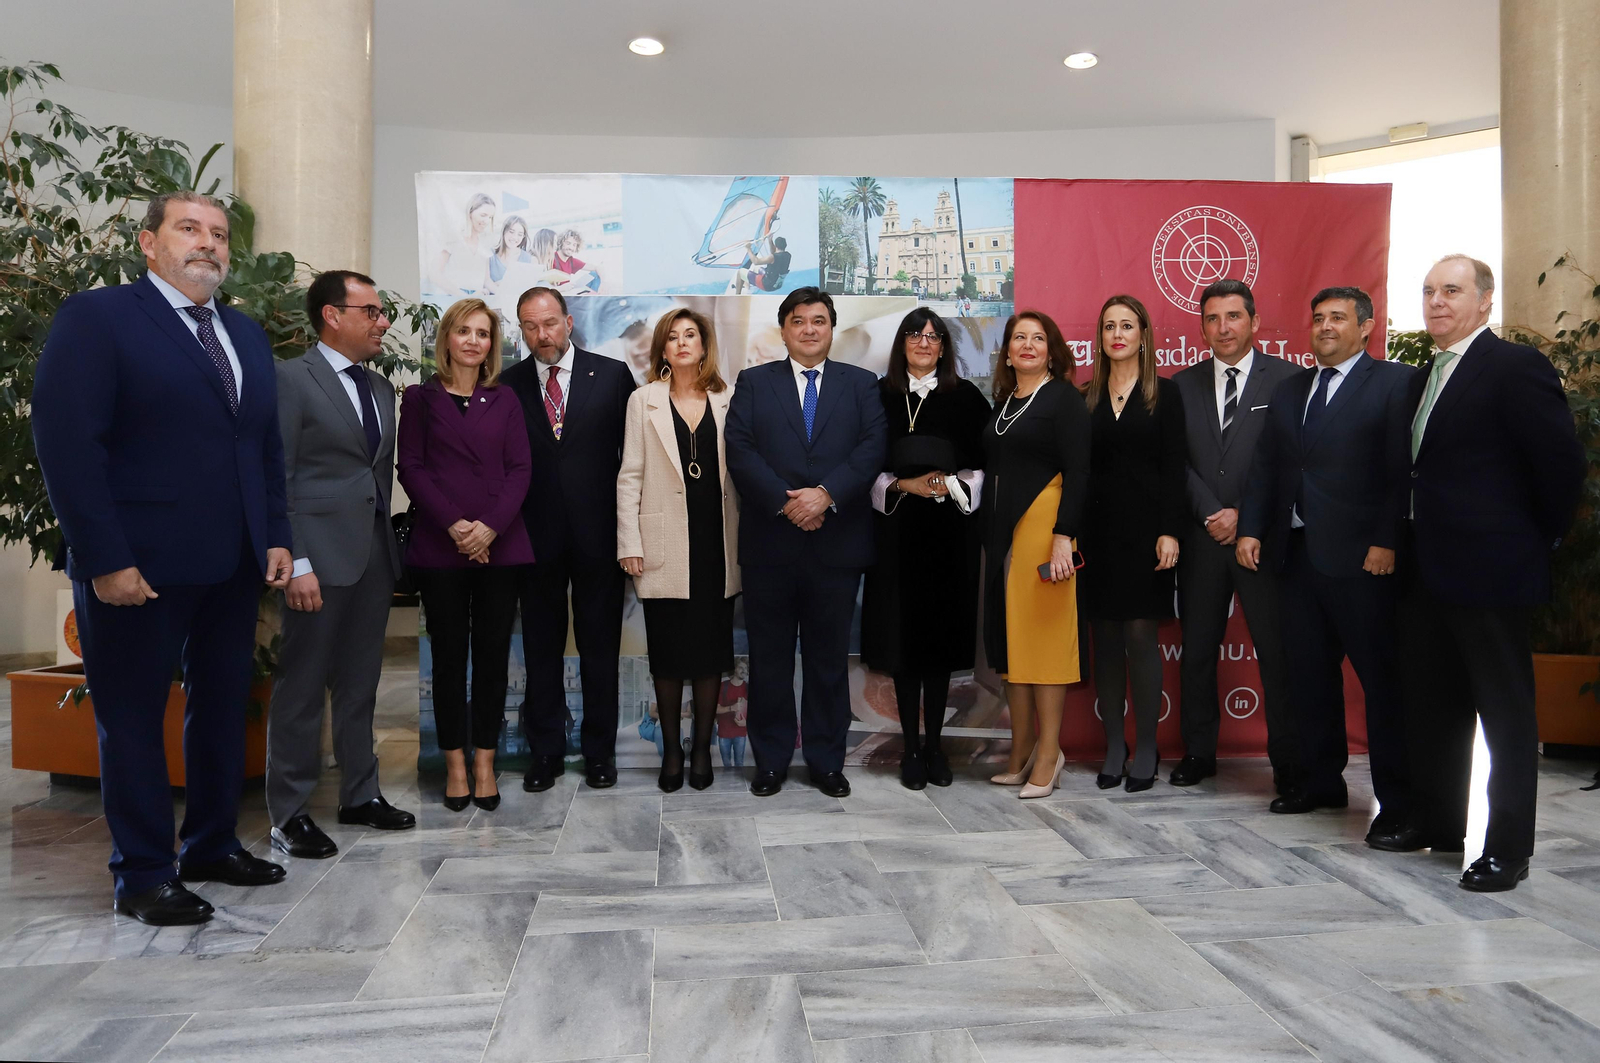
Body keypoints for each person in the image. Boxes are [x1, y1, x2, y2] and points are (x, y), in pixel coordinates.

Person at [33, 191, 293, 926]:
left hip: (234, 560)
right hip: (136, 566)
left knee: (219, 709)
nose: (207, 244)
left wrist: (275, 533)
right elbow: (67, 445)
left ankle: (210, 844)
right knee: (134, 718)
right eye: (189, 229)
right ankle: (143, 872)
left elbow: (262, 446)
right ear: (149, 244)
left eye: (217, 234)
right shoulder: (98, 319)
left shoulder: (242, 333)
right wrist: (104, 556)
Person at [1400, 255, 1584, 891]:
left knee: (1505, 717)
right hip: (1432, 569)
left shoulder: (1513, 366)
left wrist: (1535, 541)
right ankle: (1442, 824)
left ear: (1484, 301)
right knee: (1438, 704)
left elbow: (1561, 467)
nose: (1437, 302)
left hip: (1493, 571)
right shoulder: (1431, 372)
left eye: (1451, 291)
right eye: (1428, 292)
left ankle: (1508, 849)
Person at [1237, 287, 1416, 826]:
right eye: (1318, 318)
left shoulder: (1395, 383)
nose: (1325, 327)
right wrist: (1250, 529)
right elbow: (1267, 467)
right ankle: (1321, 784)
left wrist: (1386, 541)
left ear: (1366, 327)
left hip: (1364, 562)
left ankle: (1397, 802)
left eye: (1338, 318)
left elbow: (1399, 472)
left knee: (1382, 684)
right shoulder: (1292, 390)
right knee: (1308, 679)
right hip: (1295, 558)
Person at [266, 271, 416, 859]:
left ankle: (360, 793)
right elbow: (277, 478)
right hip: (315, 562)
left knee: (361, 684)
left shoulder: (380, 389)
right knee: (301, 687)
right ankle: (290, 812)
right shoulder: (290, 381)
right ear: (332, 315)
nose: (383, 322)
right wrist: (294, 559)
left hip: (373, 558)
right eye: (372, 311)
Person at [724, 287, 888, 797]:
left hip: (836, 547)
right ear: (784, 329)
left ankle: (825, 762)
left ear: (832, 328)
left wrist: (825, 496)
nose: (810, 329)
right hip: (771, 545)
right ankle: (771, 762)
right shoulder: (753, 382)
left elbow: (872, 448)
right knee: (770, 661)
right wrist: (788, 502)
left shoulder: (862, 384)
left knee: (827, 661)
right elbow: (740, 448)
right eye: (800, 321)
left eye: (820, 320)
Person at [397, 298, 535, 811]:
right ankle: (454, 763)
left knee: (494, 658)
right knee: (450, 659)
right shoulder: (419, 398)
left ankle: (484, 761)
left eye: (483, 333)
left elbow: (521, 469)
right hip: (441, 546)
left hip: (501, 546)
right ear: (447, 340)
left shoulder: (505, 399)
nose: (474, 341)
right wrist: (456, 525)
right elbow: (410, 468)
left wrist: (489, 529)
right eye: (464, 331)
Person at [502, 287, 636, 790]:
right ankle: (546, 753)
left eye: (550, 324)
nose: (543, 336)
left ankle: (600, 754)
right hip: (531, 540)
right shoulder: (509, 384)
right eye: (531, 327)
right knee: (540, 650)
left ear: (569, 322)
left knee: (600, 648)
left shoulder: (613, 375)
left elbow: (634, 456)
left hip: (599, 538)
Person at [1170, 280, 1301, 791]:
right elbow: (1174, 463)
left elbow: (1294, 466)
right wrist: (1211, 513)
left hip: (1262, 542)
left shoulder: (1290, 381)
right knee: (1198, 652)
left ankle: (1288, 765)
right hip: (1203, 541)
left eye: (1233, 317)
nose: (1223, 328)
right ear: (1201, 326)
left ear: (1254, 321)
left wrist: (1243, 516)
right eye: (1212, 319)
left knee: (1277, 653)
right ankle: (1198, 753)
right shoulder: (1181, 386)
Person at [860, 309, 990, 790]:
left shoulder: (967, 397)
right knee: (901, 645)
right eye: (915, 334)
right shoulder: (878, 396)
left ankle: (936, 748)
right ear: (902, 343)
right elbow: (862, 464)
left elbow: (983, 467)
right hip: (894, 537)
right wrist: (902, 486)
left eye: (933, 336)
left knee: (937, 647)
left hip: (948, 539)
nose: (924, 342)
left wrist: (950, 486)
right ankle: (911, 751)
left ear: (944, 347)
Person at [617, 308, 741, 792]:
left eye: (691, 335)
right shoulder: (642, 400)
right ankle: (671, 751)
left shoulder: (727, 397)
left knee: (711, 655)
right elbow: (629, 476)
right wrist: (629, 541)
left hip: (717, 541)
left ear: (705, 345)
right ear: (662, 350)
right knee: (668, 656)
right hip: (662, 542)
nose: (683, 343)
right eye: (673, 337)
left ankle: (703, 751)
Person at [978, 311, 1091, 800]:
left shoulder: (1064, 399)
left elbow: (1081, 471)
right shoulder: (1006, 401)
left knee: (1044, 645)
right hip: (1004, 536)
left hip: (1045, 534)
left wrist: (1064, 535)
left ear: (1052, 349)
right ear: (1006, 351)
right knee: (1012, 645)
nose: (1027, 344)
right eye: (1018, 338)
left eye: (1037, 338)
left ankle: (1050, 753)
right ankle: (1020, 750)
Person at [1078, 295, 1186, 793]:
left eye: (1126, 325)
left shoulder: (1166, 395)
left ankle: (1146, 746)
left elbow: (1173, 469)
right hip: (1097, 539)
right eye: (1108, 327)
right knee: (1106, 644)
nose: (1117, 334)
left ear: (1143, 335)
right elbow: (1078, 474)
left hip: (1147, 538)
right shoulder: (1085, 398)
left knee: (1142, 640)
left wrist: (1170, 530)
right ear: (1099, 338)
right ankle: (1114, 746)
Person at [430, 191, 495, 297]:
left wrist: (503, 294)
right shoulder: (454, 238)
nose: (487, 221)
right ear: (470, 212)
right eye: (483, 215)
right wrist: (462, 296)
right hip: (451, 300)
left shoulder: (485, 245)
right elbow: (435, 273)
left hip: (474, 303)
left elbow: (487, 280)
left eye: (490, 217)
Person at [483, 215, 532, 294]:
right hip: (493, 303)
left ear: (523, 237)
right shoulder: (490, 254)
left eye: (520, 234)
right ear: (504, 231)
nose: (515, 237)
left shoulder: (527, 258)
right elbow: (486, 281)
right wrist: (502, 293)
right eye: (511, 232)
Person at [717, 661, 750, 768]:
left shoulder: (748, 688)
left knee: (739, 764)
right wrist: (731, 708)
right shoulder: (723, 686)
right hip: (724, 733)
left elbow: (755, 711)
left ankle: (739, 785)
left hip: (741, 733)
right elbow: (715, 709)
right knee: (726, 764)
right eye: (741, 667)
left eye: (746, 668)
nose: (744, 670)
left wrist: (747, 722)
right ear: (734, 669)